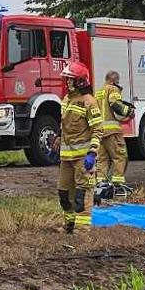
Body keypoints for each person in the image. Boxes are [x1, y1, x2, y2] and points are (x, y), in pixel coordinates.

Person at [58, 60, 103, 232]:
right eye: (67, 79)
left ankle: (82, 230)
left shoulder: (89, 102)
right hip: (66, 158)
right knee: (64, 193)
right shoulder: (66, 100)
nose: (68, 82)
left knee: (82, 194)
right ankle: (69, 225)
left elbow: (98, 129)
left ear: (81, 81)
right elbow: (64, 126)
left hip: (83, 158)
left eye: (71, 79)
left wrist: (92, 153)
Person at [95, 71, 134, 194]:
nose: (118, 84)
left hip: (100, 132)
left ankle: (101, 185)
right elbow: (115, 104)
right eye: (117, 82)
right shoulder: (113, 89)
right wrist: (128, 111)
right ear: (113, 81)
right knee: (119, 156)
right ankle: (117, 185)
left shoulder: (98, 92)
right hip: (112, 132)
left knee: (102, 159)